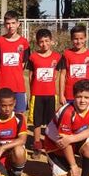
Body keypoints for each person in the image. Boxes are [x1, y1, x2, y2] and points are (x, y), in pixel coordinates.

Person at [44, 79, 89, 176]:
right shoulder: (67, 112)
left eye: (86, 97)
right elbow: (64, 141)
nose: (83, 100)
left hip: (72, 139)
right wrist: (73, 165)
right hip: (55, 145)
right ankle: (52, 161)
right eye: (79, 96)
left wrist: (72, 138)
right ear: (73, 96)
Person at [25, 28, 62, 158]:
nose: (44, 44)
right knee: (36, 122)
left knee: (51, 121)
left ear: (51, 41)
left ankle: (48, 143)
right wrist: (32, 91)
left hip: (51, 94)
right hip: (37, 94)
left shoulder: (57, 57)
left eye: (47, 41)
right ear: (37, 43)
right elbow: (30, 76)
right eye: (41, 42)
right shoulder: (33, 57)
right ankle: (37, 145)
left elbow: (56, 75)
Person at [0, 10, 31, 113]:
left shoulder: (24, 43)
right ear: (4, 25)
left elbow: (23, 64)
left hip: (18, 86)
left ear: (18, 24)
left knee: (20, 114)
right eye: (8, 23)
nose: (10, 26)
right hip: (3, 86)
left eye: (13, 23)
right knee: (4, 115)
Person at [59, 24, 89, 106]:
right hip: (69, 94)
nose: (79, 41)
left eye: (81, 38)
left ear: (86, 38)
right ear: (71, 39)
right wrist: (61, 95)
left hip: (86, 94)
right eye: (76, 39)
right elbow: (62, 75)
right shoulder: (66, 54)